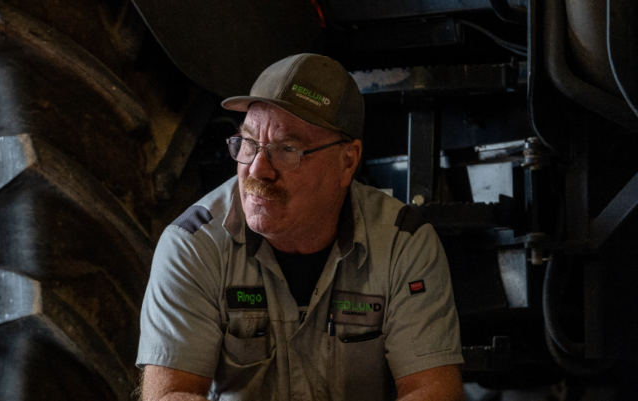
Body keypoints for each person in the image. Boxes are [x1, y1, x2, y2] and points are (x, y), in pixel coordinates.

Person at [136, 54, 464, 401]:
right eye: (248, 144)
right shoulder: (193, 246)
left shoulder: (403, 244)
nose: (258, 170)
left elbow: (432, 391)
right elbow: (170, 395)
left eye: (287, 149)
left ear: (347, 161)